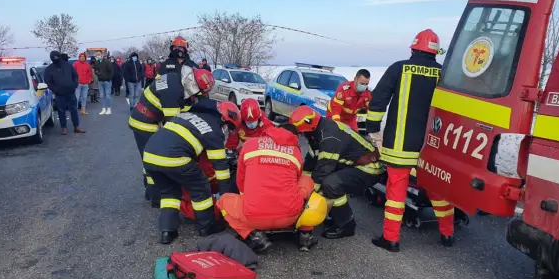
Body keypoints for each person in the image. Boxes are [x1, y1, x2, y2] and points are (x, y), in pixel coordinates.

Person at [366, 29, 453, 251]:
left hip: (399, 146)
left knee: (396, 193)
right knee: (438, 191)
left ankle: (391, 239)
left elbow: (379, 101)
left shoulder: (399, 68)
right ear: (435, 52)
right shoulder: (444, 73)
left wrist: (373, 130)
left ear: (413, 48)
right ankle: (447, 234)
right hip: (431, 147)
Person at [143, 101, 241, 244]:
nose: (229, 132)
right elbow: (221, 168)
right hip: (174, 157)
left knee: (169, 193)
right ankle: (207, 227)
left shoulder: (189, 115)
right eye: (230, 128)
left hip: (150, 156)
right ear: (225, 120)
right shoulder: (215, 130)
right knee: (200, 188)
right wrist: (226, 197)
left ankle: (167, 232)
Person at [217, 123, 326, 253]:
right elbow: (295, 180)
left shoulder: (249, 145)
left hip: (254, 217)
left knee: (223, 201)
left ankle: (255, 236)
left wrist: (252, 198)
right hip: (290, 216)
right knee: (306, 180)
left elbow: (240, 181)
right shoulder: (295, 151)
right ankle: (305, 236)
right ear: (294, 137)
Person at [289, 106, 383, 239]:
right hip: (351, 164)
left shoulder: (329, 138)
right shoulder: (318, 132)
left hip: (368, 168)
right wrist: (299, 181)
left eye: (301, 132)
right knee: (325, 182)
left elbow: (323, 170)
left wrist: (305, 194)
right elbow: (311, 161)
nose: (301, 135)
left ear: (309, 127)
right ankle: (336, 216)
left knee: (331, 184)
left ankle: (346, 225)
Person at [129, 66, 215, 207]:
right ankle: (155, 197)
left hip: (150, 118)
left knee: (151, 159)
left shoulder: (177, 79)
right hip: (144, 122)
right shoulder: (173, 92)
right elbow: (173, 123)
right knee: (151, 160)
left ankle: (152, 193)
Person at [44, 51, 85, 135]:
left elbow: (75, 75)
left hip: (71, 91)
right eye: (53, 58)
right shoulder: (49, 69)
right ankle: (64, 128)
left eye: (57, 57)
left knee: (74, 109)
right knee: (61, 111)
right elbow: (48, 82)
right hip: (59, 94)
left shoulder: (68, 65)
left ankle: (76, 126)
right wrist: (55, 89)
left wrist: (75, 84)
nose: (55, 59)